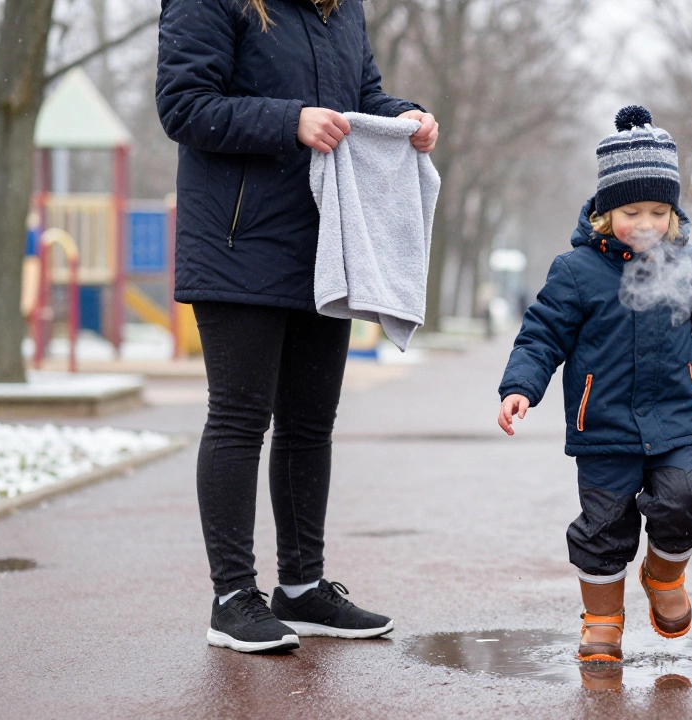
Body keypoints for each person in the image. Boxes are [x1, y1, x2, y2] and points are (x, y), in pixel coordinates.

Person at [156, 0, 439, 653]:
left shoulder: (342, 12)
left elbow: (361, 94)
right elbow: (184, 105)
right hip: (236, 242)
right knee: (238, 418)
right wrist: (291, 121)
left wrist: (404, 116)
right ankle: (232, 599)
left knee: (311, 423)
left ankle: (303, 588)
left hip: (326, 244)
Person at [497, 106, 692, 663]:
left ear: (674, 215)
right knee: (604, 526)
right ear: (606, 214)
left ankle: (663, 576)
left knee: (684, 501)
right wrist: (520, 386)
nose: (646, 224)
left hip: (674, 419)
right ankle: (603, 619)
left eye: (659, 212)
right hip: (603, 425)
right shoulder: (575, 271)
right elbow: (541, 336)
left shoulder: (689, 265)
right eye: (632, 211)